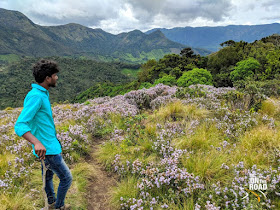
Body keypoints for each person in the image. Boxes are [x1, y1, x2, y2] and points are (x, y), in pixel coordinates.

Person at [14, 59, 72, 210]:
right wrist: (36, 142)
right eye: (54, 75)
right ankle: (59, 206)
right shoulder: (37, 96)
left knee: (47, 177)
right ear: (47, 78)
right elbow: (20, 125)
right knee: (66, 178)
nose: (57, 78)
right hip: (49, 149)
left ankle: (51, 202)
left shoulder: (41, 93)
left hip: (48, 147)